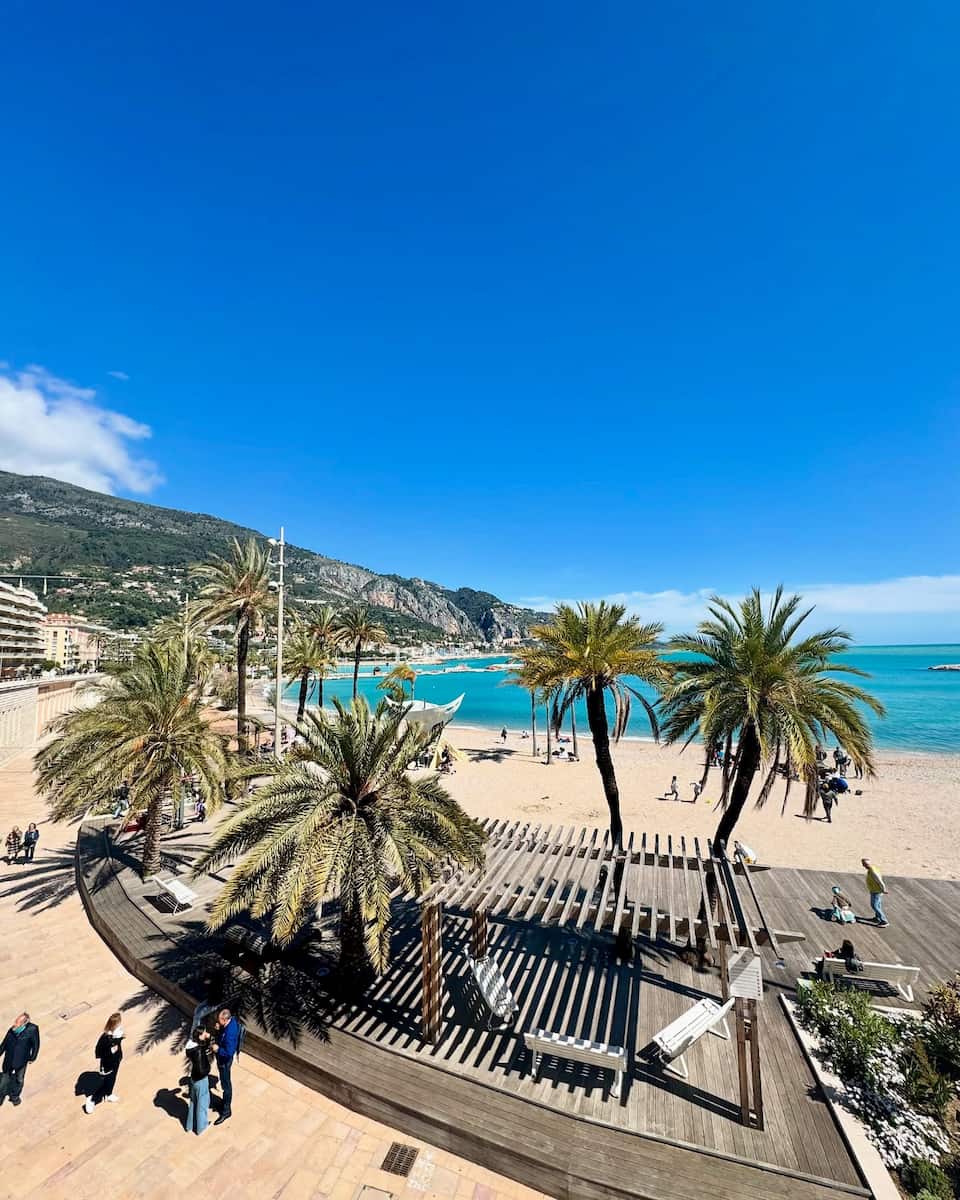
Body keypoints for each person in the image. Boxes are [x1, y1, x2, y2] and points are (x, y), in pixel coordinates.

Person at [84, 1012, 124, 1112]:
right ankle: (92, 1100)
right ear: (113, 1025)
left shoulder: (116, 1035)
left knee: (113, 1079)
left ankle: (109, 1094)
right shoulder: (106, 1038)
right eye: (118, 1024)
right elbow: (100, 1051)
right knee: (107, 1083)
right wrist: (114, 1042)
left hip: (115, 1062)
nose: (120, 1026)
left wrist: (118, 1039)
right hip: (108, 1065)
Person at [0, 1012, 40, 1106]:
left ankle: (15, 1097)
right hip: (8, 1061)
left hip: (21, 1061)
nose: (15, 1024)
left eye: (17, 1022)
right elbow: (4, 1044)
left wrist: (32, 1057)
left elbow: (36, 1045)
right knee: (3, 1081)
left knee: (19, 1080)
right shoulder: (11, 1030)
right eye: (15, 1021)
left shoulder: (32, 1030)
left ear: (24, 1024)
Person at [211, 1008, 241, 1124]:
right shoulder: (230, 1022)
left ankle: (226, 1111)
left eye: (219, 1020)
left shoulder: (230, 1033)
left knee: (226, 1085)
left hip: (225, 1061)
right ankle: (224, 1102)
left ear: (225, 1019)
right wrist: (219, 1030)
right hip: (222, 1059)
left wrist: (218, 1049)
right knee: (224, 1083)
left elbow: (229, 1052)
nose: (218, 1021)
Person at [185, 1025, 213, 1135]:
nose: (206, 1033)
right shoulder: (199, 1051)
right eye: (204, 1033)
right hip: (201, 1079)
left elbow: (203, 1046)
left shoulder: (190, 1047)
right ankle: (202, 1127)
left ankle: (189, 1125)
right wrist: (207, 1070)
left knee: (193, 1102)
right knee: (203, 1103)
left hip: (193, 1078)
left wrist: (207, 1038)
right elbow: (202, 1068)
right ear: (200, 1035)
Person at [862, 858, 889, 926]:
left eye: (866, 864)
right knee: (878, 905)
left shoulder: (873, 871)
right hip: (875, 890)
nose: (865, 865)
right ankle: (877, 918)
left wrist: (884, 889)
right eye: (864, 864)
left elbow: (880, 881)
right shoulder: (873, 868)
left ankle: (884, 921)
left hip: (876, 891)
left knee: (874, 906)